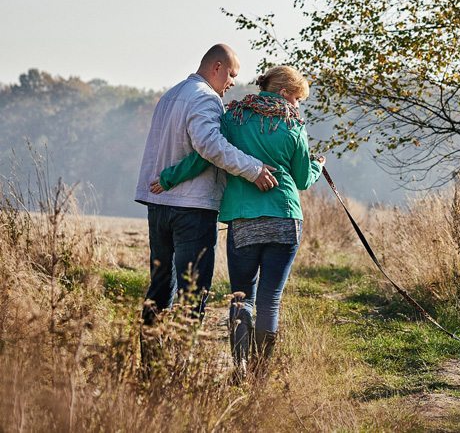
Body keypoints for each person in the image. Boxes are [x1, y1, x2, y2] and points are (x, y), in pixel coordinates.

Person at [150, 65, 325, 379]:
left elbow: (205, 154)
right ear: (285, 93)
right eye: (297, 98)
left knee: (242, 295)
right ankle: (259, 377)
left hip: (243, 221)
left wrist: (168, 177)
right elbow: (301, 179)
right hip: (285, 219)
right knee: (270, 299)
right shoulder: (293, 125)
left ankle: (240, 367)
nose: (297, 106)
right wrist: (316, 165)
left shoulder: (233, 118)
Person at [134, 44, 278, 341]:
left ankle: (151, 366)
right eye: (232, 75)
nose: (233, 83)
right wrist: (253, 169)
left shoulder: (171, 95)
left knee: (159, 288)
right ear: (217, 67)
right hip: (191, 207)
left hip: (158, 205)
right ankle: (181, 372)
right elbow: (210, 145)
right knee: (193, 293)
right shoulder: (205, 97)